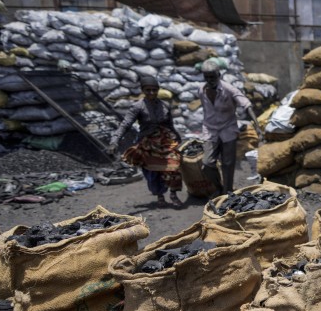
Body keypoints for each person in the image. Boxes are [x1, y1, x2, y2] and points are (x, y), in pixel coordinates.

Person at [108, 75, 184, 208]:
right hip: (147, 142)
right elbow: (125, 124)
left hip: (165, 141)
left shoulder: (164, 106)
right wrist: (114, 141)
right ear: (143, 90)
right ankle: (160, 196)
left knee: (174, 166)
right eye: (148, 90)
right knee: (153, 171)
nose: (151, 93)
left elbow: (170, 125)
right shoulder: (137, 107)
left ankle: (173, 195)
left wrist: (177, 137)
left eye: (154, 90)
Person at [198, 59, 259, 196]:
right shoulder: (201, 90)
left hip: (228, 129)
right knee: (207, 163)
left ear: (219, 74)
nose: (209, 80)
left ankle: (227, 191)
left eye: (212, 77)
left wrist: (256, 123)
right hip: (210, 130)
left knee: (228, 163)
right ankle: (218, 187)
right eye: (206, 77)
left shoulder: (228, 89)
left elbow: (246, 104)